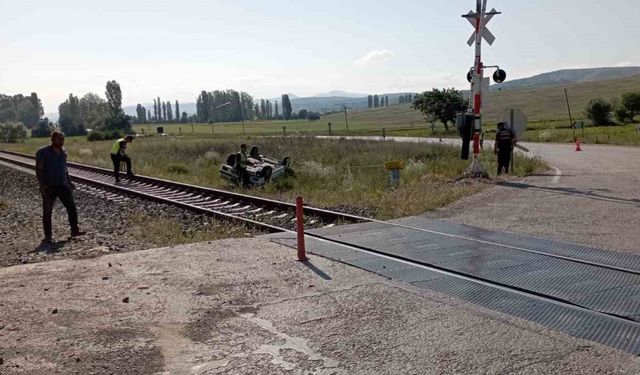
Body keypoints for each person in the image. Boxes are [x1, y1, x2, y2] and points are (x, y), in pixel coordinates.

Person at [35, 131, 85, 245]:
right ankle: (48, 236)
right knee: (47, 212)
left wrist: (69, 182)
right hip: (49, 187)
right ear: (52, 139)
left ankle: (75, 230)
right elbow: (39, 170)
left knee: (71, 207)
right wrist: (42, 185)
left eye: (63, 139)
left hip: (63, 185)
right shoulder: (43, 152)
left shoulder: (63, 152)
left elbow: (64, 169)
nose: (61, 141)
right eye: (59, 139)